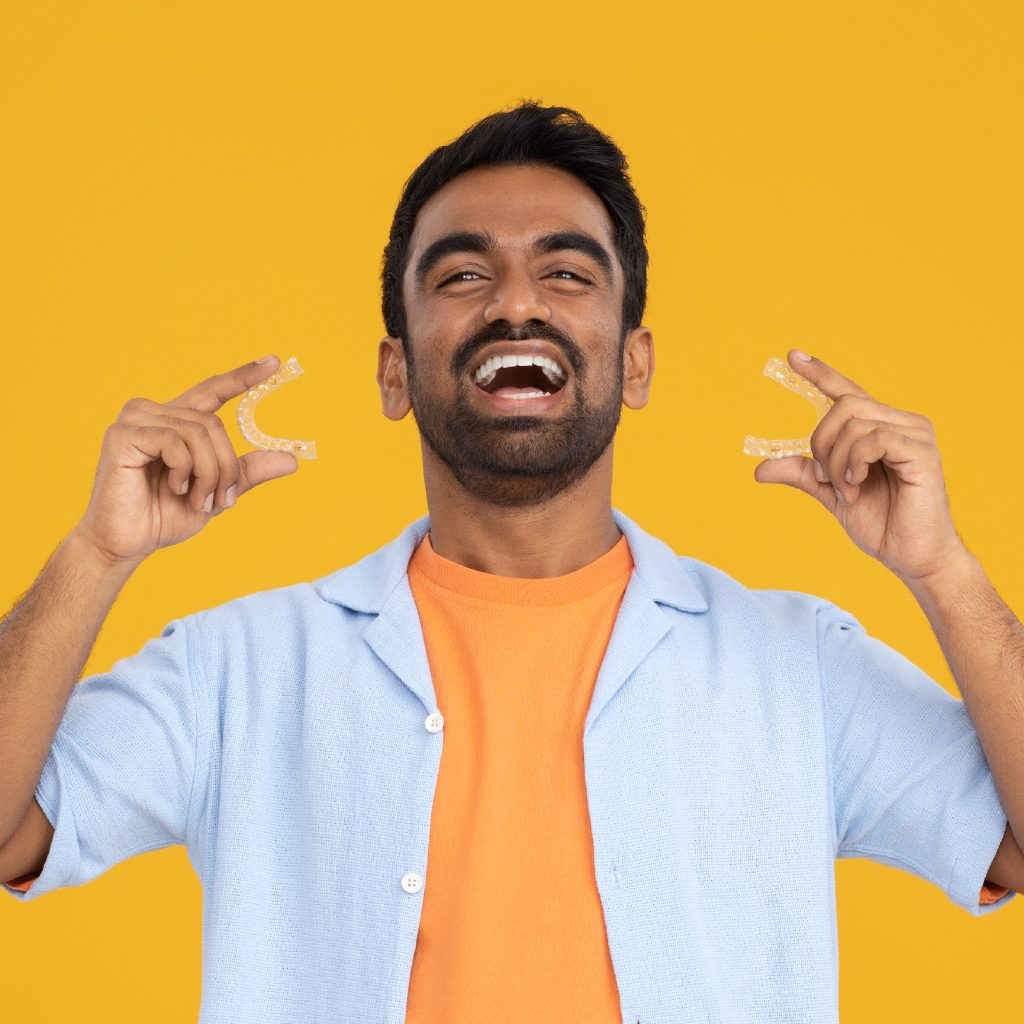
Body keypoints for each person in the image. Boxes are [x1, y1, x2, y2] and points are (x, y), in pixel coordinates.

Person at [0, 100, 1021, 1023]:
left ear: (634, 362)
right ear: (395, 372)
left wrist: (944, 573)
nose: (515, 304)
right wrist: (95, 554)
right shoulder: (241, 670)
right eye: (462, 274)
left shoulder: (798, 664)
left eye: (567, 272)